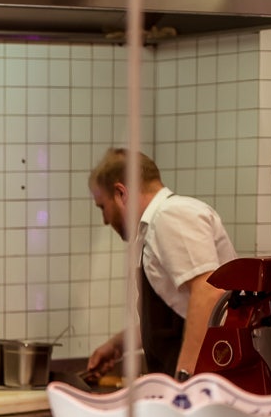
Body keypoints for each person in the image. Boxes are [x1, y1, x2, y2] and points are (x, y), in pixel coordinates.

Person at [86, 147, 237, 379]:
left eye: (102, 207)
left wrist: (184, 378)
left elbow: (207, 293)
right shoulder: (154, 227)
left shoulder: (171, 216)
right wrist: (117, 345)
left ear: (121, 193)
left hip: (203, 383)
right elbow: (174, 318)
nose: (105, 220)